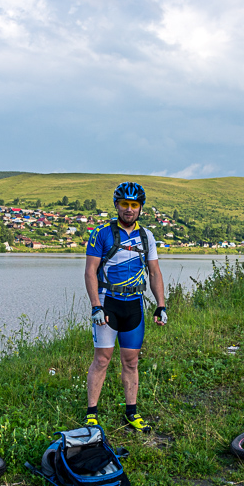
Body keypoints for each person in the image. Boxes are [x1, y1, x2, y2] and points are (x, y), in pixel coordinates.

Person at [84, 182, 167, 433]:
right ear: (117, 206)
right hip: (107, 303)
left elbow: (154, 272)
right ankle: (91, 415)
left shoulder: (146, 236)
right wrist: (95, 306)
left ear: (140, 208)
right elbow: (89, 271)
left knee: (131, 362)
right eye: (124, 204)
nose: (129, 210)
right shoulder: (101, 233)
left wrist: (160, 305)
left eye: (134, 205)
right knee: (102, 359)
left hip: (134, 305)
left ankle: (131, 412)